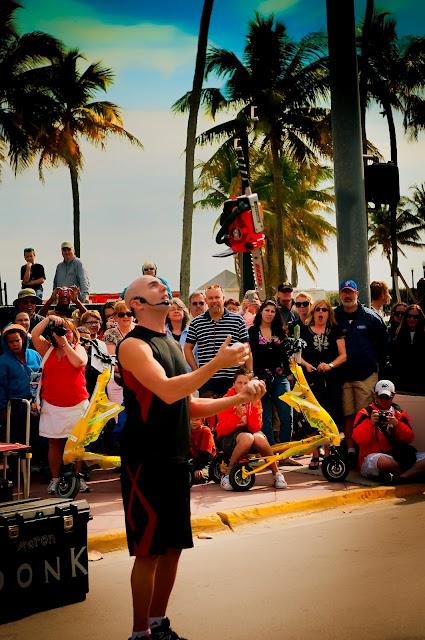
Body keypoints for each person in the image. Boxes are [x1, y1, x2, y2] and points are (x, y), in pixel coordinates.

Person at [117, 274, 265, 640]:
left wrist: (239, 399)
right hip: (145, 461)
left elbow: (188, 402)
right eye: (151, 286)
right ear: (135, 303)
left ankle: (157, 624)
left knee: (173, 548)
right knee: (148, 552)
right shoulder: (133, 346)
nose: (161, 287)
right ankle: (140, 634)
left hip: (175, 458)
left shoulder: (168, 341)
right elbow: (167, 392)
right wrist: (217, 363)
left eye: (162, 284)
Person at [31, 315, 90, 494]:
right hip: (52, 404)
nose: (65, 334)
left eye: (68, 331)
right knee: (54, 444)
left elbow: (78, 362)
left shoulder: (79, 348)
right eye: (61, 331)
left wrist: (64, 342)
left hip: (77, 404)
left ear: (74, 334)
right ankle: (55, 479)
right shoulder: (46, 349)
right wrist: (49, 318)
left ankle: (78, 478)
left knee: (78, 443)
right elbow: (34, 334)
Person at [334, 279, 389, 466]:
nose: (347, 295)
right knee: (348, 414)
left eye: (351, 292)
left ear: (357, 294)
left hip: (366, 374)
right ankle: (350, 450)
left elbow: (383, 345)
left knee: (364, 414)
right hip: (343, 376)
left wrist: (378, 368)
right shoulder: (334, 316)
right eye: (344, 292)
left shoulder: (371, 317)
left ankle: (363, 450)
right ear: (340, 294)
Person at [216, 367, 288, 490]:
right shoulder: (226, 399)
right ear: (233, 384)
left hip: (249, 434)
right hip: (229, 439)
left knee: (258, 437)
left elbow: (256, 427)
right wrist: (236, 418)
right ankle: (227, 474)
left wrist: (254, 407)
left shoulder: (254, 399)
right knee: (247, 438)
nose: (243, 386)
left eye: (245, 383)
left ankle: (276, 473)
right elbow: (222, 430)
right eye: (239, 383)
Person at [299, 299, 347, 469]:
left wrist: (330, 365)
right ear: (313, 312)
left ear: (329, 313)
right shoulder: (304, 331)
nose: (321, 312)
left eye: (324, 310)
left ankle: (327, 453)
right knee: (312, 416)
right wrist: (306, 365)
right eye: (318, 309)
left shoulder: (335, 330)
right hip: (311, 379)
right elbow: (297, 355)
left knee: (329, 415)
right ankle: (314, 454)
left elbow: (343, 355)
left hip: (331, 379)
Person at [184, 284, 252, 397]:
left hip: (232, 379)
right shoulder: (196, 323)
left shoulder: (238, 320)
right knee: (209, 414)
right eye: (210, 298)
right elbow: (187, 348)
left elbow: (247, 349)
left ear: (223, 298)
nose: (214, 301)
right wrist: (197, 371)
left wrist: (249, 373)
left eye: (217, 297)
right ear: (206, 300)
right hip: (206, 380)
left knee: (233, 413)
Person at [352, 379, 425, 482]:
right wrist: (370, 423)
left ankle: (401, 477)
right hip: (373, 458)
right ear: (375, 395)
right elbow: (358, 439)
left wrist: (397, 424)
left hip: (398, 456)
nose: (384, 400)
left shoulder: (399, 413)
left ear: (393, 395)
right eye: (381, 397)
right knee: (384, 462)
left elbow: (409, 438)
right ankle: (411, 474)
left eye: (387, 397)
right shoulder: (365, 413)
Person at [248, 299, 293, 445]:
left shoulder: (280, 331)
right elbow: (250, 355)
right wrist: (252, 374)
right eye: (267, 310)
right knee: (265, 416)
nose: (269, 313)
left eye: (273, 311)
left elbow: (286, 355)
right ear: (261, 311)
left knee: (287, 413)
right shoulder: (252, 331)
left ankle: (285, 451)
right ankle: (271, 450)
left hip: (281, 376)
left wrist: (289, 373)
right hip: (261, 377)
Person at [103, 300, 134, 407]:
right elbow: (113, 361)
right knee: (119, 417)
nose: (126, 316)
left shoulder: (140, 330)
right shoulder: (110, 334)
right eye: (121, 314)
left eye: (129, 313)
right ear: (115, 317)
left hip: (139, 380)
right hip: (118, 380)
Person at [389, 304, 425, 394]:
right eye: (409, 316)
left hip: (421, 382)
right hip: (402, 382)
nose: (411, 319)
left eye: (415, 317)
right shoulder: (397, 334)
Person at [189, 417, 215, 483]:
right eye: (191, 419)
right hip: (194, 461)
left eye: (197, 419)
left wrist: (198, 468)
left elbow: (206, 454)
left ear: (202, 421)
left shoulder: (206, 431)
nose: (193, 422)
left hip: (207, 462)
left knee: (199, 476)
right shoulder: (187, 431)